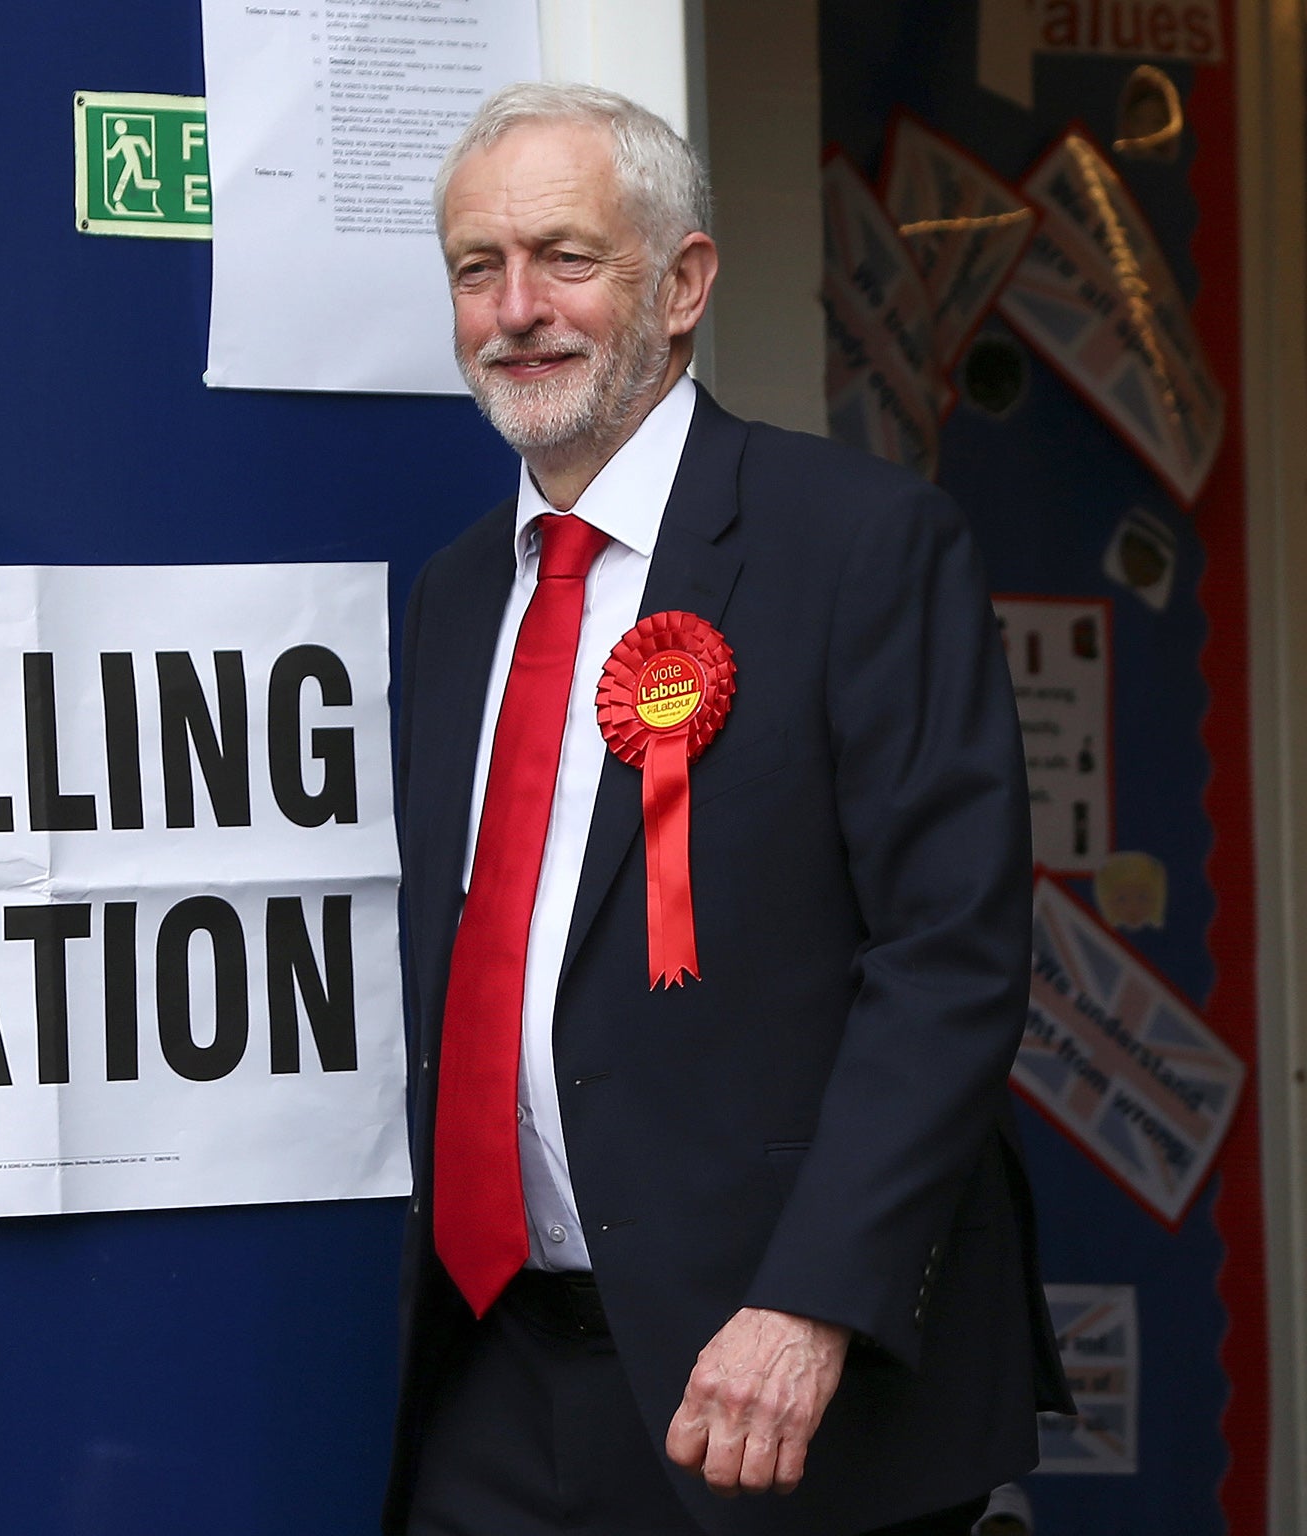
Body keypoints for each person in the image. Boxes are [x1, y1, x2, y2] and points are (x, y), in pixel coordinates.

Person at [386, 82, 1072, 1536]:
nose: (517, 309)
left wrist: (811, 1305)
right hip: (498, 1381)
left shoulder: (862, 546)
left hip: (772, 1387)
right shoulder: (455, 600)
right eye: (475, 268)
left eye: (568, 257)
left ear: (684, 283)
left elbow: (947, 964)